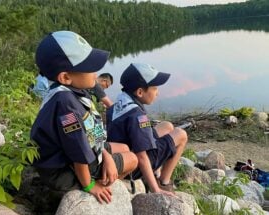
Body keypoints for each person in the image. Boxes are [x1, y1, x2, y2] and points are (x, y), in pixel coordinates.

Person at [30, 31, 138, 204]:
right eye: (90, 68)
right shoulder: (65, 104)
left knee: (124, 147)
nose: (96, 74)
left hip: (75, 155)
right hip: (63, 171)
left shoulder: (74, 91)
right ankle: (102, 184)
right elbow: (78, 150)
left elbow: (89, 133)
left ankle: (106, 175)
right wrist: (89, 185)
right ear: (65, 77)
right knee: (132, 159)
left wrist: (106, 154)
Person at [106, 63, 188, 196]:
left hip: (123, 153)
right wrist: (155, 189)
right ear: (139, 92)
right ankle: (163, 183)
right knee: (181, 135)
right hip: (132, 165)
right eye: (155, 88)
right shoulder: (137, 115)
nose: (158, 93)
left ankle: (157, 172)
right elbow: (142, 156)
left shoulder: (118, 104)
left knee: (167, 126)